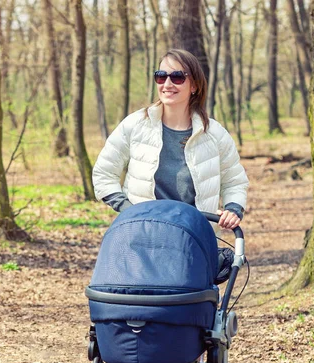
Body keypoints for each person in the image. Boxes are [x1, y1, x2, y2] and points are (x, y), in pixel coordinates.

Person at [92, 49, 248, 282]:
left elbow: (235, 181)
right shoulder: (135, 125)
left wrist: (233, 210)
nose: (167, 83)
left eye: (177, 77)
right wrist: (130, 211)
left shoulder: (214, 134)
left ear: (194, 85)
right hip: (141, 237)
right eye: (160, 76)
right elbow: (104, 173)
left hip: (193, 239)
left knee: (189, 306)